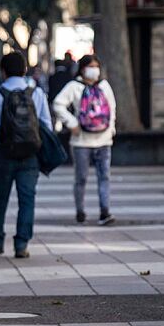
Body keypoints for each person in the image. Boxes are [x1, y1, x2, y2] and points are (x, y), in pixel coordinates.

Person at [0, 52, 52, 258]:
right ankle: (21, 244)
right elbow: (47, 124)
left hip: (3, 153)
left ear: (3, 71)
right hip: (30, 155)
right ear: (25, 70)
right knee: (27, 199)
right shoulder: (36, 94)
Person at [53, 54, 117, 226]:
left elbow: (112, 108)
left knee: (104, 177)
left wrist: (111, 129)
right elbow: (58, 104)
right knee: (81, 178)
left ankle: (105, 212)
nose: (94, 70)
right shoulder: (74, 87)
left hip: (104, 141)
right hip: (81, 141)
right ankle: (80, 211)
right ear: (82, 69)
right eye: (91, 66)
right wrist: (72, 123)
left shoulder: (104, 86)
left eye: (96, 66)